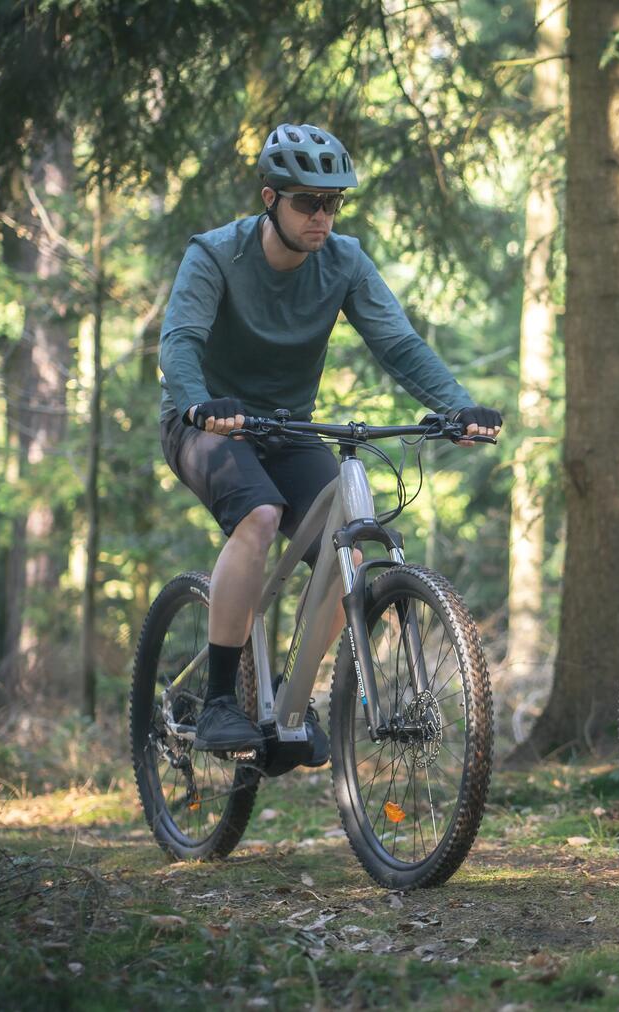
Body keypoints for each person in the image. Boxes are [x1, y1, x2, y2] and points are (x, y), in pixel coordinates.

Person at [158, 122, 503, 753]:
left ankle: (289, 701)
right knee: (260, 515)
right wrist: (198, 402)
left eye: (333, 203)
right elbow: (180, 341)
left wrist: (456, 408)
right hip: (204, 422)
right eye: (307, 202)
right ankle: (218, 701)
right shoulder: (216, 254)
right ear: (271, 199)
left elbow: (398, 344)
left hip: (287, 427)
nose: (322, 216)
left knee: (348, 555)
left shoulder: (344, 261)